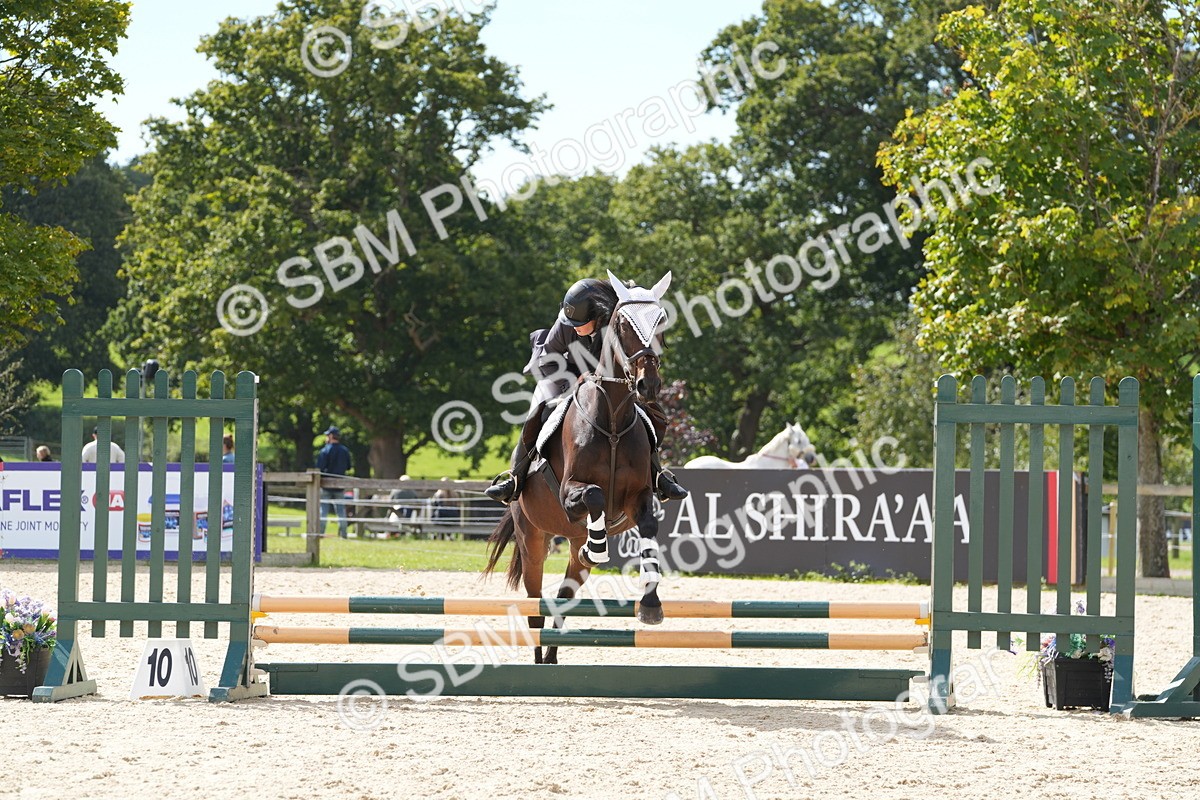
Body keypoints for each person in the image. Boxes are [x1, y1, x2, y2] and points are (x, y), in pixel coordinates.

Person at [485, 277, 688, 505]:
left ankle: (658, 475)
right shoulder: (566, 323)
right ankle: (515, 476)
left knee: (651, 414)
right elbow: (547, 362)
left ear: (598, 317)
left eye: (581, 323)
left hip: (605, 380)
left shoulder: (614, 322)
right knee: (538, 412)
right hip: (561, 375)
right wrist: (576, 383)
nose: (575, 327)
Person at [316, 426, 352, 538]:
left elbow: (319, 468)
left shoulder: (325, 450)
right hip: (340, 485)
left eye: (327, 435)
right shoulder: (345, 451)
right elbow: (349, 466)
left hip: (326, 485)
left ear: (331, 436)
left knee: (323, 511)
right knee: (341, 511)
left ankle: (320, 533)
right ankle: (344, 534)